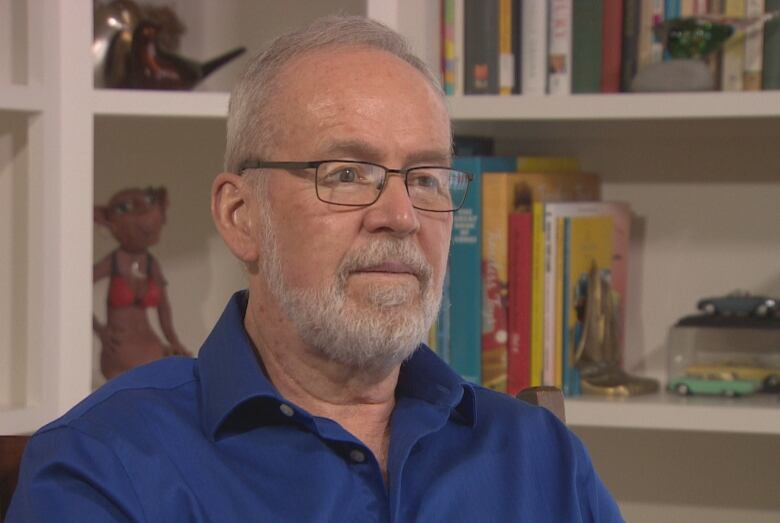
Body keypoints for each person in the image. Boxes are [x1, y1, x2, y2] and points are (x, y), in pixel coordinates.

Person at [8, 16, 623, 522]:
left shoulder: (542, 459)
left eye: (427, 178)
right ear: (240, 215)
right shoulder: (105, 464)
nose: (401, 215)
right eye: (347, 174)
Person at [93, 186, 190, 380]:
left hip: (150, 346)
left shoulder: (151, 264)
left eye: (146, 203)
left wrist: (174, 341)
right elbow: (75, 291)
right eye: (125, 208)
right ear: (108, 222)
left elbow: (163, 307)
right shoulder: (113, 262)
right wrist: (100, 331)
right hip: (120, 350)